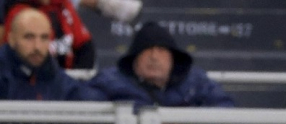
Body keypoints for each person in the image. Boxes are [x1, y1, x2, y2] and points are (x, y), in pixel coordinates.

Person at [0, 8, 98, 124]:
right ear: (11, 39)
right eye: (29, 37)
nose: (37, 46)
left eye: (44, 38)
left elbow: (82, 119)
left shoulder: (58, 79)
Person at [87, 21, 234, 110]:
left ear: (173, 58)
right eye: (147, 50)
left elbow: (226, 109)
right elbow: (85, 104)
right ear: (134, 58)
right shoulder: (110, 81)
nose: (154, 57)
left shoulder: (196, 82)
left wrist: (186, 123)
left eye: (161, 50)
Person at [1, 0, 96, 69]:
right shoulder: (18, 13)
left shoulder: (63, 5)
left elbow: (85, 45)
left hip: (68, 78)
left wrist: (75, 77)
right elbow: (12, 56)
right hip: (34, 80)